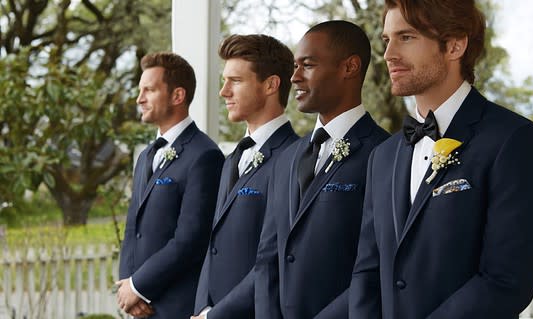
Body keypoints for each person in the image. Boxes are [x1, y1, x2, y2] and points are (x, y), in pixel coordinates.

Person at [349, 1, 533, 318]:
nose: (389, 54)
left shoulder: (515, 141)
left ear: (455, 45)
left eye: (406, 37)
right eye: (387, 39)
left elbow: (506, 281)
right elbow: (367, 272)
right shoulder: (382, 157)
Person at [254, 20, 390, 319]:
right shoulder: (287, 158)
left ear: (350, 67)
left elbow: (378, 266)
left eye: (308, 65)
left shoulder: (385, 155)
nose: (295, 77)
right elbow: (268, 258)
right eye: (294, 66)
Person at [191, 34, 298, 319]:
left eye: (235, 81)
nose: (223, 92)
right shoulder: (231, 161)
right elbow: (213, 244)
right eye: (224, 81)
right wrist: (202, 307)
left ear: (271, 85)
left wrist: (218, 314)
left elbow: (273, 260)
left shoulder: (295, 159)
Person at [117, 52, 224, 318]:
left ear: (177, 96)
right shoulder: (145, 156)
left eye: (149, 90)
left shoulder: (205, 155)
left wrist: (140, 286)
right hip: (139, 306)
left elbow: (191, 239)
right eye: (140, 90)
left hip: (176, 305)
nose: (139, 98)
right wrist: (128, 287)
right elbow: (133, 228)